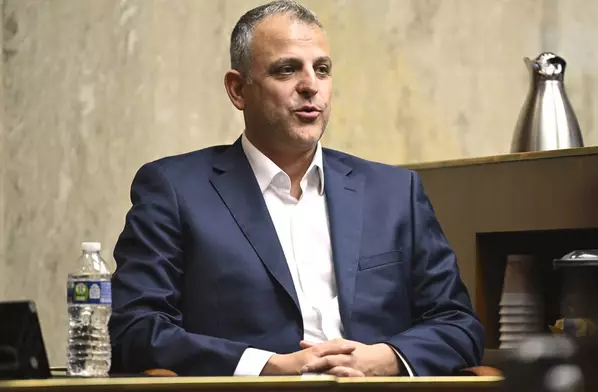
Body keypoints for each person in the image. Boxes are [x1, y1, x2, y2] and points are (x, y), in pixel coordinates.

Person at [109, 0, 484, 377]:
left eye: (322, 70)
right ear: (238, 90)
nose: (310, 86)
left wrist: (385, 359)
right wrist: (266, 366)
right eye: (287, 70)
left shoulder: (394, 192)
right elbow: (138, 329)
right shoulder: (175, 189)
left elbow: (457, 324)